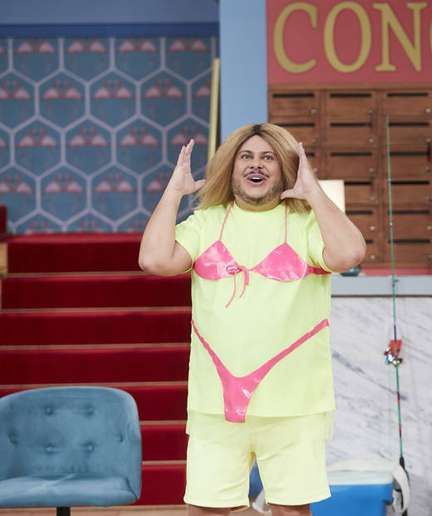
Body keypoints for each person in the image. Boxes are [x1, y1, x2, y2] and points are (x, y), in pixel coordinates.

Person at [138, 123, 366, 516]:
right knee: (205, 510)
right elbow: (154, 260)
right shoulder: (206, 222)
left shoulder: (307, 224)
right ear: (231, 167)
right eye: (246, 157)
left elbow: (349, 255)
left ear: (283, 169)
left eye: (267, 158)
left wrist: (314, 194)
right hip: (215, 403)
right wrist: (174, 191)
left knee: (290, 510)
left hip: (294, 403)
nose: (255, 165)